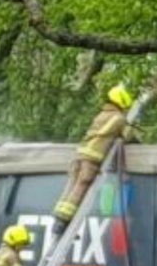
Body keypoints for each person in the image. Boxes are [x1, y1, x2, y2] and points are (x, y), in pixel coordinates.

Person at [51, 84, 140, 239]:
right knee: (80, 191)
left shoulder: (101, 115)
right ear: (122, 102)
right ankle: (63, 225)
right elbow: (127, 136)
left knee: (70, 188)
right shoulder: (118, 118)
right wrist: (133, 129)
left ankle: (59, 224)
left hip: (79, 155)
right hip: (91, 159)